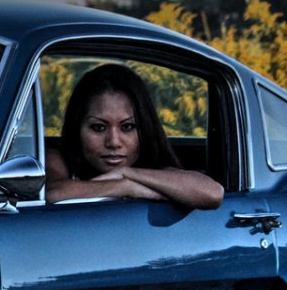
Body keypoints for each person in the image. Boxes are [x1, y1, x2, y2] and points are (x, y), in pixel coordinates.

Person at [45, 63, 224, 209]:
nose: (114, 142)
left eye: (128, 127)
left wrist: (126, 172)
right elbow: (51, 193)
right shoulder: (59, 159)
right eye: (98, 127)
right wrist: (127, 187)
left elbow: (212, 192)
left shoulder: (151, 170)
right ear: (77, 128)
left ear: (144, 128)